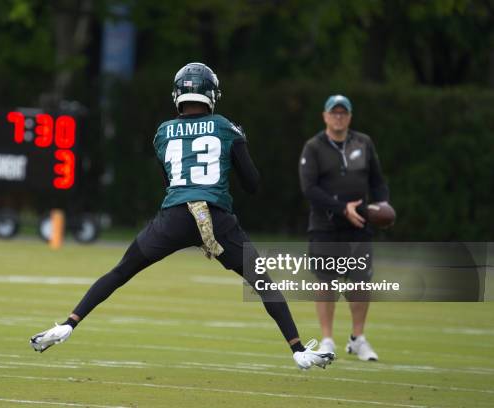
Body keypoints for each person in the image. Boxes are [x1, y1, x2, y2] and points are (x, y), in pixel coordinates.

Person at [30, 62, 334, 370]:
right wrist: (241, 142)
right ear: (211, 94)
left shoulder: (163, 132)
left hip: (175, 217)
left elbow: (170, 183)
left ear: (178, 94)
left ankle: (68, 324)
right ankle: (298, 350)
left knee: (121, 271)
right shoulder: (226, 127)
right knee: (263, 282)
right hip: (216, 217)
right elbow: (253, 184)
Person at [298, 95, 390, 361]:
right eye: (334, 113)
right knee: (326, 282)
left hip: (359, 224)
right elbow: (309, 189)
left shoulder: (363, 142)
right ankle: (327, 339)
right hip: (325, 227)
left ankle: (357, 338)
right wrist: (341, 208)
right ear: (325, 116)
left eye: (343, 113)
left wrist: (382, 206)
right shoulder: (313, 147)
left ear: (349, 117)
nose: (338, 117)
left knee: (361, 282)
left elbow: (378, 181)